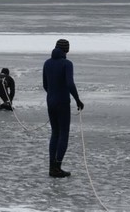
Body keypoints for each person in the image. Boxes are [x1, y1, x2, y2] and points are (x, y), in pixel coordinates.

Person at [43, 39, 84, 178]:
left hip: (50, 101)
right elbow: (70, 84)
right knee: (64, 134)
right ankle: (57, 167)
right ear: (66, 50)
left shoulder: (47, 63)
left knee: (55, 133)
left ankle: (51, 167)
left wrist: (52, 95)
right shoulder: (67, 64)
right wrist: (77, 100)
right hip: (62, 102)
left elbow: (45, 84)